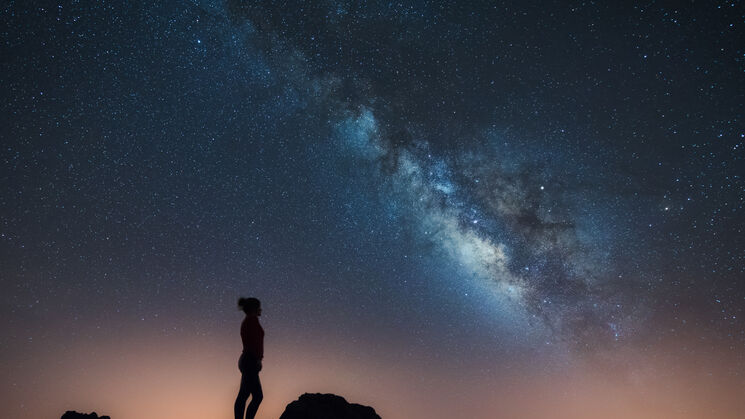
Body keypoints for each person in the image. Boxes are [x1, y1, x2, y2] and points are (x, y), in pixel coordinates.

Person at [234, 297, 264, 419]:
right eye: (259, 307)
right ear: (254, 308)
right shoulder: (251, 321)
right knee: (256, 396)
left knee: (246, 394)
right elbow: (252, 343)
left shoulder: (252, 320)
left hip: (249, 360)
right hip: (249, 361)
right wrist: (257, 359)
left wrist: (258, 359)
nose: (261, 309)